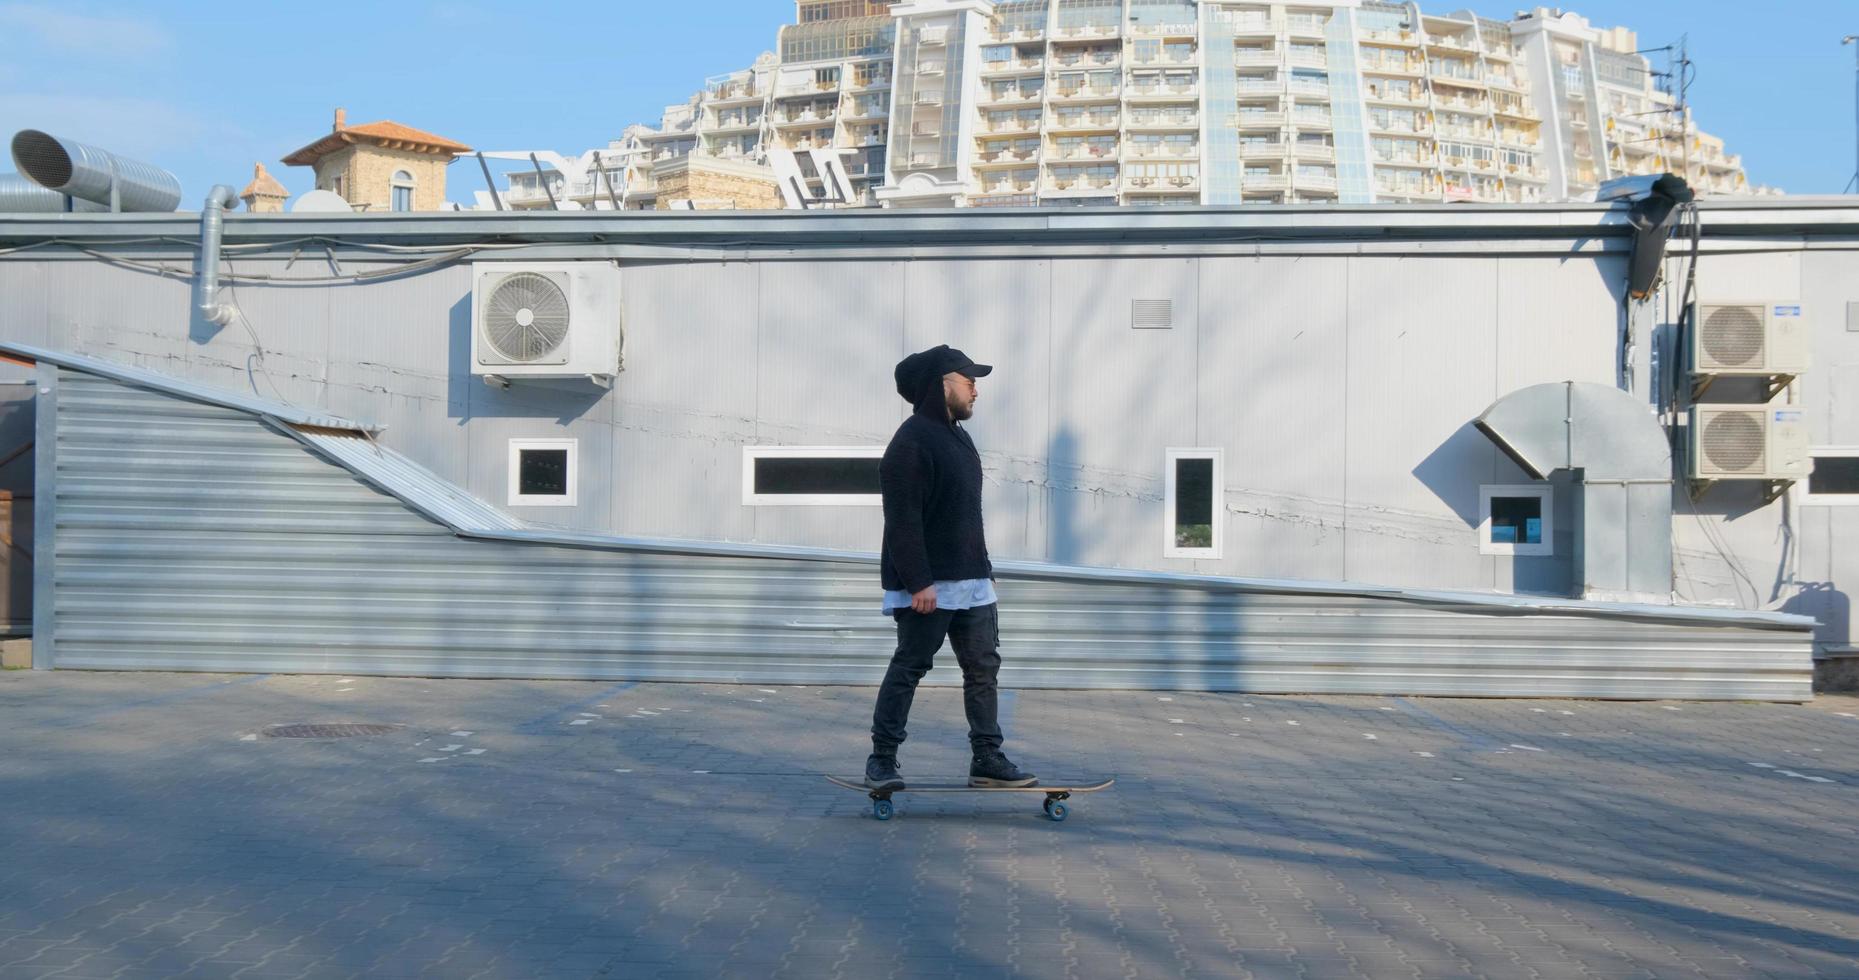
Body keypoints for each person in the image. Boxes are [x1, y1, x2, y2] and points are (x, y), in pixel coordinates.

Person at [865, 344, 1036, 792]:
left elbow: (962, 514)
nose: (976, 391)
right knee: (910, 666)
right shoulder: (911, 442)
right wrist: (918, 580)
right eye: (969, 381)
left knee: (983, 668)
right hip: (929, 586)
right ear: (942, 386)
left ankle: (987, 757)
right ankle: (881, 759)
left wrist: (984, 568)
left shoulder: (958, 436)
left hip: (972, 582)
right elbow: (903, 520)